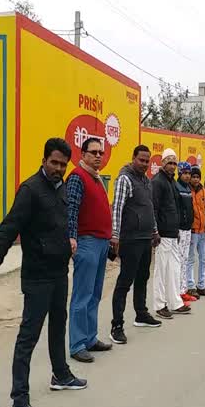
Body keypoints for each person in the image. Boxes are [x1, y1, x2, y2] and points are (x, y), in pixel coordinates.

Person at [0, 138, 86, 407]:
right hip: (37, 276)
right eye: (54, 163)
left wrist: (68, 242)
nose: (58, 168)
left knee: (58, 324)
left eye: (63, 165)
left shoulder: (62, 187)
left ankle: (61, 374)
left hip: (58, 271)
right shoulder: (30, 190)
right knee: (28, 336)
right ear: (43, 161)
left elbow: (61, 222)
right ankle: (19, 399)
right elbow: (10, 227)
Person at [65, 137, 114, 364]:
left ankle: (90, 338)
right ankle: (77, 344)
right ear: (82, 154)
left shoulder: (95, 178)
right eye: (93, 152)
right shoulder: (77, 177)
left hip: (101, 242)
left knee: (94, 294)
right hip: (86, 242)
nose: (98, 156)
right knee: (82, 295)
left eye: (100, 153)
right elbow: (71, 209)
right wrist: (71, 237)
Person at [109, 146, 163, 345]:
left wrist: (155, 231)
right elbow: (117, 207)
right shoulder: (125, 179)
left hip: (145, 238)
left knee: (143, 277)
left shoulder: (146, 181)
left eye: (147, 161)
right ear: (133, 158)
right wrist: (115, 234)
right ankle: (117, 325)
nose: (145, 164)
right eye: (141, 160)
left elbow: (149, 209)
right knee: (125, 281)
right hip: (130, 239)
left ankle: (141, 314)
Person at [150, 149, 191, 319]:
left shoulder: (171, 181)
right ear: (163, 163)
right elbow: (154, 208)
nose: (172, 166)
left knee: (174, 269)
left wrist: (177, 231)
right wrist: (155, 231)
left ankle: (175, 302)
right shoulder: (158, 181)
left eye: (175, 163)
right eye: (170, 163)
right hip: (163, 234)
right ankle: (160, 305)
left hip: (173, 233)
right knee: (161, 270)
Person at [186, 167, 205, 297]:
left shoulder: (203, 191)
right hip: (192, 231)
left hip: (203, 230)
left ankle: (201, 285)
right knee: (191, 259)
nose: (196, 179)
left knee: (204, 258)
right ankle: (190, 286)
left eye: (198, 177)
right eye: (193, 177)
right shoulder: (187, 191)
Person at [174, 162, 197, 302]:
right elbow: (176, 210)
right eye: (185, 173)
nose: (188, 176)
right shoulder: (177, 188)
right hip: (180, 230)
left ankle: (183, 290)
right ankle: (177, 292)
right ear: (180, 173)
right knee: (179, 261)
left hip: (188, 228)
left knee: (185, 259)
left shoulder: (187, 188)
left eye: (189, 173)